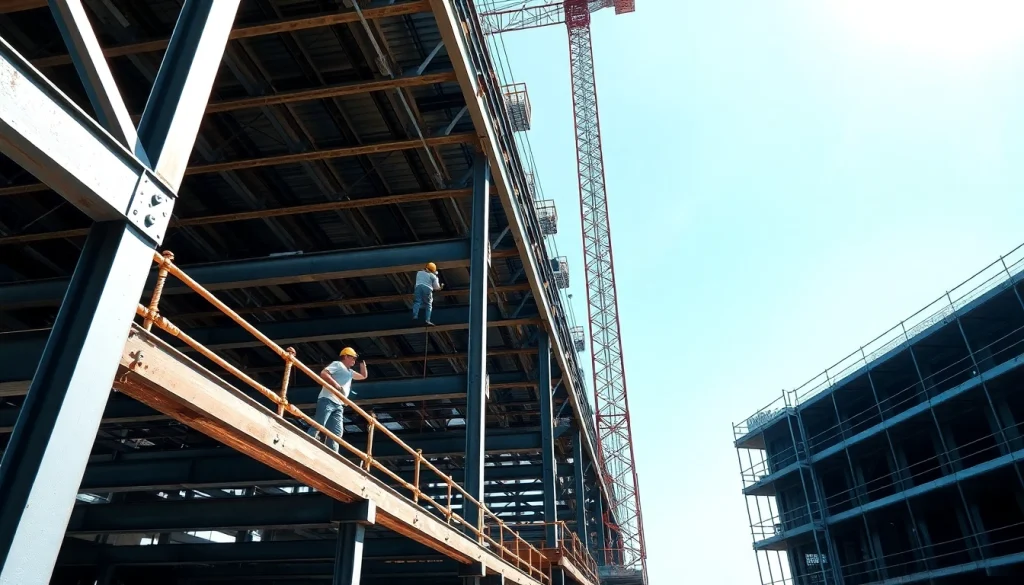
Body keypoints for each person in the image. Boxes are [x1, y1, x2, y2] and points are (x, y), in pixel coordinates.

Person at [307, 347, 367, 452]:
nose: (354, 361)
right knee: (319, 424)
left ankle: (332, 453)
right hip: (327, 399)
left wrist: (362, 364)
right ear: (345, 356)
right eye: (352, 358)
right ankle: (308, 441)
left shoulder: (350, 372)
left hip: (339, 404)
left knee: (337, 432)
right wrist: (337, 386)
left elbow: (363, 376)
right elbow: (324, 373)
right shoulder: (338, 364)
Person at [411, 261, 443, 326]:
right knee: (428, 304)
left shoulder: (419, 272)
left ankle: (415, 315)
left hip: (418, 287)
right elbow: (437, 288)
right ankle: (427, 320)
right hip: (427, 289)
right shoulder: (433, 276)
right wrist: (441, 286)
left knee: (417, 301)